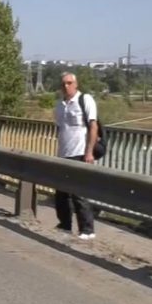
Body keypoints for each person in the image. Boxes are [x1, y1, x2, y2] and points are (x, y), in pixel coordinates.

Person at [54, 72, 98, 240]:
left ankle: (87, 229)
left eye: (70, 83)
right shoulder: (59, 105)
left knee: (79, 193)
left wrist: (89, 152)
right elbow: (60, 128)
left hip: (80, 153)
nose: (66, 86)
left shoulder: (85, 100)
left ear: (76, 84)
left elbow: (93, 126)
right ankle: (65, 225)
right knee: (61, 193)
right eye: (64, 83)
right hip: (63, 153)